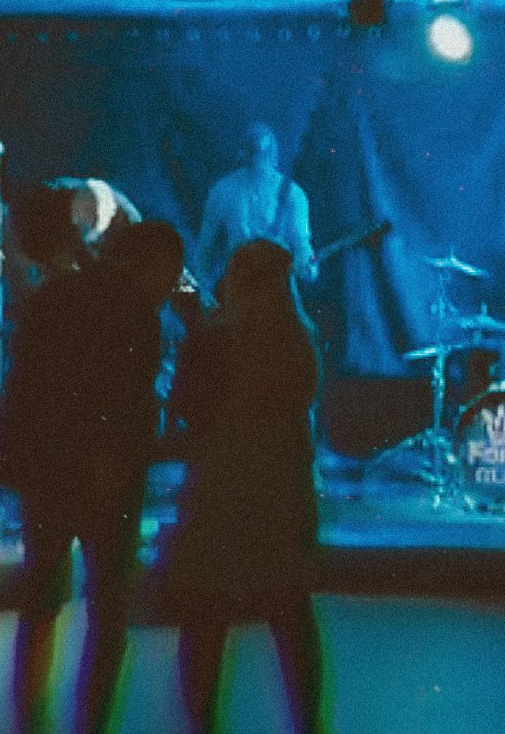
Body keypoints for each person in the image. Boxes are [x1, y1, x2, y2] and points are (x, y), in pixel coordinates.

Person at [0, 211, 188, 734]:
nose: (171, 289)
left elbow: (22, 384)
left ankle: (29, 718)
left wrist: (16, 463)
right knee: (108, 614)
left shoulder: (55, 294)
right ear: (152, 264)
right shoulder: (138, 314)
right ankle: (92, 722)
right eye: (170, 275)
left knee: (40, 603)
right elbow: (132, 406)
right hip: (110, 477)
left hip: (47, 472)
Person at [163, 239, 324, 734]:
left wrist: (197, 329)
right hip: (282, 495)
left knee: (207, 620)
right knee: (291, 618)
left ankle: (202, 724)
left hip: (221, 493)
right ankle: (307, 723)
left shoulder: (215, 340)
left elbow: (189, 410)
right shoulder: (300, 342)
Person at [196, 124, 316, 290]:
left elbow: (302, 245)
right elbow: (205, 247)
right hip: (237, 286)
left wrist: (307, 266)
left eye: (260, 156)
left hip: (274, 288)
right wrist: (202, 286)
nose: (257, 163)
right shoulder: (223, 190)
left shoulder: (292, 194)